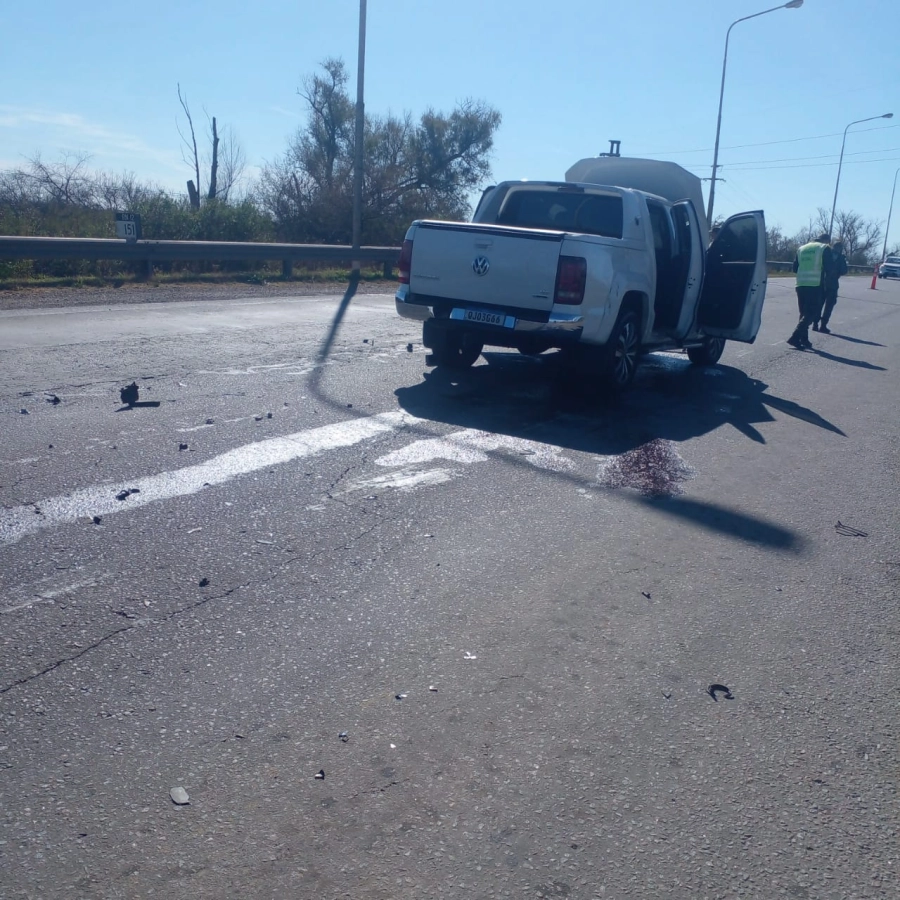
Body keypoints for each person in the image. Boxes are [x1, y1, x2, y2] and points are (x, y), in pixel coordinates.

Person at [788, 233, 833, 349]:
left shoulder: (802, 248)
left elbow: (795, 268)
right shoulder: (824, 248)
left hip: (800, 283)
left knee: (804, 313)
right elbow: (829, 269)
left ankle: (804, 339)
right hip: (815, 284)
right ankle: (795, 336)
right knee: (812, 313)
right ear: (826, 240)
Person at [814, 240, 847, 333]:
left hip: (826, 283)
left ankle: (818, 324)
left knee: (822, 305)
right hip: (829, 284)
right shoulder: (835, 256)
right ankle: (820, 325)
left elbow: (844, 271)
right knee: (825, 305)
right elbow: (844, 271)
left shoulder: (828, 255)